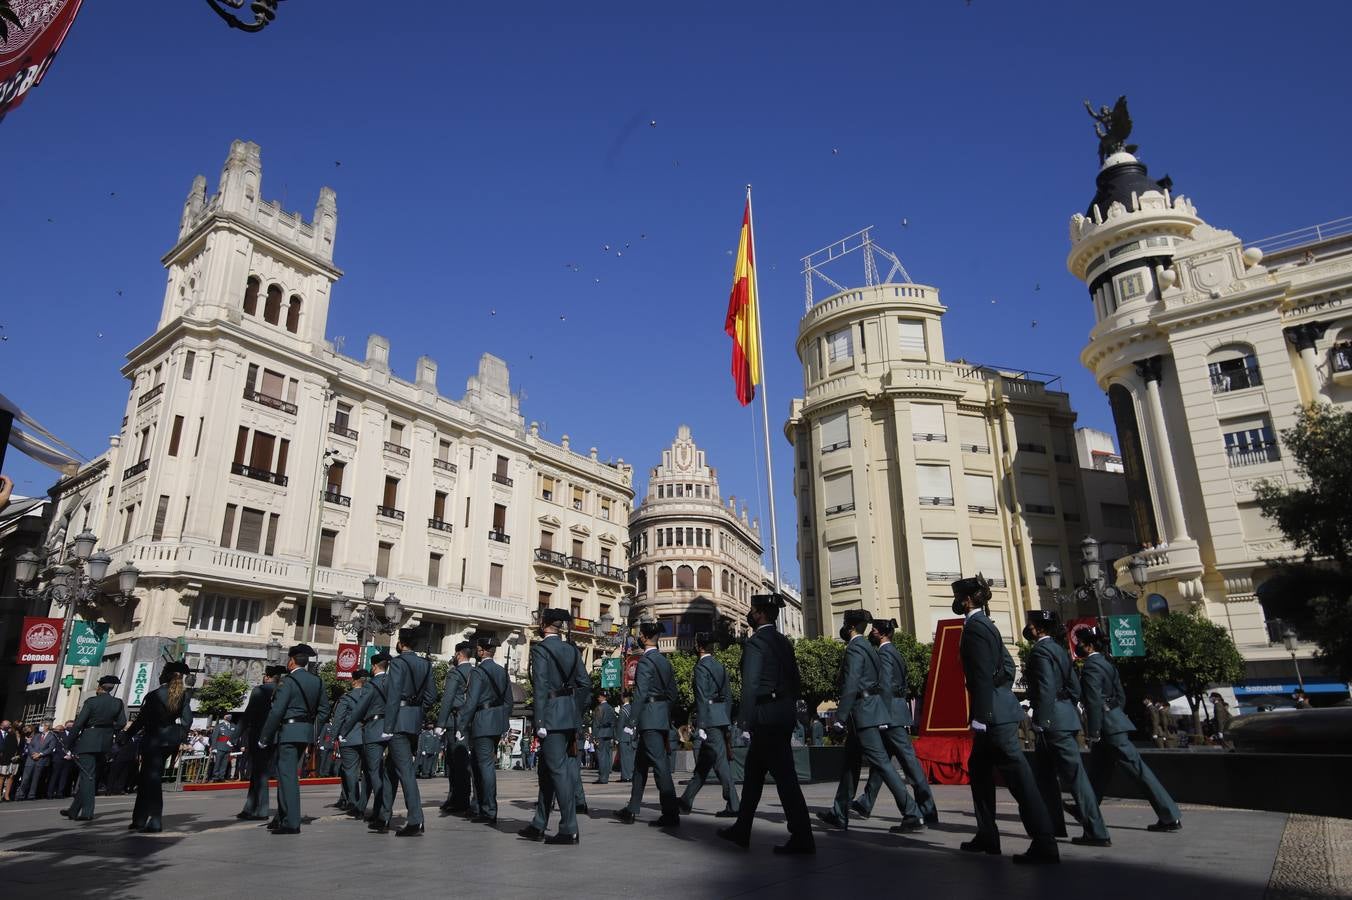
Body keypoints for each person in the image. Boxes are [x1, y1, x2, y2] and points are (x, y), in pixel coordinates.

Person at [954, 576, 1059, 865]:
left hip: (994, 718)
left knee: (1021, 780)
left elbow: (980, 674)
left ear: (965, 600)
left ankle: (1044, 842)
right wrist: (998, 690)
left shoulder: (975, 627)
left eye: (957, 598)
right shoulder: (987, 625)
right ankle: (987, 835)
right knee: (978, 769)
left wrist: (983, 714)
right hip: (999, 710)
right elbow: (1008, 667)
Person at [717, 593, 813, 855]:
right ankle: (742, 828)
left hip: (765, 715)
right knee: (753, 774)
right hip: (783, 712)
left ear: (759, 614)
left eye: (752, 610)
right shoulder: (784, 642)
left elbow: (750, 685)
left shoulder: (756, 643)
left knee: (785, 777)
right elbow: (795, 681)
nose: (750, 613)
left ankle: (803, 836)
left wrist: (744, 720)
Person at [820, 610, 924, 834]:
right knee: (850, 764)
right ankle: (839, 812)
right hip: (869, 711)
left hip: (862, 713)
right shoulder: (869, 648)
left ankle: (912, 812)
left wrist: (840, 717)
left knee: (882, 764)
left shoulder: (856, 647)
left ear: (850, 626)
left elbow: (851, 683)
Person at [1074, 625, 1182, 832]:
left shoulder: (1091, 666)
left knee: (1138, 770)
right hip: (1114, 721)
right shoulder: (1108, 664)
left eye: (1079, 642)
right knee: (1097, 774)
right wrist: (1114, 715)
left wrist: (1094, 731)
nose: (1077, 646)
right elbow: (1120, 697)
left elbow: (1094, 700)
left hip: (1107, 727)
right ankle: (1085, 811)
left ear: (1088, 646)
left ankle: (1169, 815)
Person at [1024, 609, 1110, 847]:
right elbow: (1074, 688)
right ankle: (1052, 826)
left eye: (1031, 624)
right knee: (1044, 776)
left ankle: (1097, 830)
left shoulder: (1040, 651)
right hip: (1065, 717)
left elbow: (1046, 688)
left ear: (1039, 628)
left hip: (1052, 721)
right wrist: (1066, 710)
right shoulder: (1061, 651)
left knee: (1075, 778)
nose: (1028, 628)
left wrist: (1042, 719)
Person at [851, 617, 938, 825]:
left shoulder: (884, 653)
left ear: (882, 633)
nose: (871, 632)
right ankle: (866, 801)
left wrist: (883, 715)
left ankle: (927, 808)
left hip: (890, 714)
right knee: (882, 762)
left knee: (908, 763)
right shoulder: (895, 652)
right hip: (897, 712)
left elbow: (886, 686)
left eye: (874, 630)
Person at [518, 608, 590, 845]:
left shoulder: (541, 650)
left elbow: (540, 687)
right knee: (547, 771)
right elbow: (584, 684)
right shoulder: (571, 649)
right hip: (568, 716)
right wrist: (574, 710)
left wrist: (539, 722)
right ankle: (539, 823)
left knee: (557, 772)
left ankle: (569, 828)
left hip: (550, 716)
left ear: (544, 624)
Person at [614, 621, 681, 828]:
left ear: (643, 637)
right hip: (659, 717)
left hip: (648, 719)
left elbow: (641, 693)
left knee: (660, 766)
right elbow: (673, 695)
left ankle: (671, 813)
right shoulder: (664, 661)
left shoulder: (644, 662)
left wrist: (632, 720)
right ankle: (632, 809)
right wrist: (662, 712)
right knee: (640, 766)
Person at [259, 644, 330, 835]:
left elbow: (277, 711)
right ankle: (281, 816)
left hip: (288, 732)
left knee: (288, 777)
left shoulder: (287, 682)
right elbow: (324, 710)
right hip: (305, 732)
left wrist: (265, 736)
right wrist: (314, 731)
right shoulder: (317, 681)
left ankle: (291, 822)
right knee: (286, 774)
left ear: (291, 661)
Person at [377, 629, 436, 836]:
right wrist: (417, 711)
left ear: (401, 643)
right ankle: (383, 815)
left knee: (405, 772)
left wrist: (388, 727)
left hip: (398, 721)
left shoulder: (398, 663)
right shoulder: (425, 664)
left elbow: (393, 696)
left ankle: (415, 820)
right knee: (390, 769)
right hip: (414, 721)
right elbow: (431, 695)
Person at [127, 661, 194, 833]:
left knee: (150, 779)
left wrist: (126, 735)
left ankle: (151, 819)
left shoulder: (155, 695)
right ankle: (140, 819)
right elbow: (187, 721)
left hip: (154, 740)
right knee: (149, 778)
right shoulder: (183, 695)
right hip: (169, 742)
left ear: (166, 675)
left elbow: (141, 719)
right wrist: (180, 736)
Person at [679, 632, 739, 818]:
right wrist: (726, 719)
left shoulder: (700, 668)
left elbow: (701, 698)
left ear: (698, 646)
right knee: (704, 765)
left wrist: (702, 725)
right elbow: (728, 696)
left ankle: (734, 804)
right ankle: (686, 800)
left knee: (720, 764)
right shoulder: (720, 666)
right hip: (720, 716)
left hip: (709, 720)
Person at [459, 633, 510, 826]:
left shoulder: (478, 672)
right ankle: (481, 806)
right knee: (483, 765)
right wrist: (503, 721)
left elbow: (471, 702)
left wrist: (462, 725)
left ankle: (488, 810)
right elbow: (508, 701)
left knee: (484, 767)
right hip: (496, 722)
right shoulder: (502, 671)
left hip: (481, 721)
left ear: (481, 651)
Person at [61, 675, 127, 821]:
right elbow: (122, 722)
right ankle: (73, 810)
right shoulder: (117, 702)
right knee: (90, 776)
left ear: (99, 687)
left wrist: (68, 742)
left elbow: (78, 723)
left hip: (89, 740)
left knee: (87, 776)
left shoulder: (91, 702)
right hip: (105, 743)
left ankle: (87, 812)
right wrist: (110, 729)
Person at [349, 652, 393, 824]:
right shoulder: (392, 682)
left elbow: (360, 708)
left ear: (374, 667)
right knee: (378, 772)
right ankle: (371, 808)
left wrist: (345, 729)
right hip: (389, 728)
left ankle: (381, 810)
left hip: (373, 729)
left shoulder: (370, 685)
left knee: (373, 772)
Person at [234, 665, 281, 821]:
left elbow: (248, 714)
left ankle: (261, 810)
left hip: (259, 736)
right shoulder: (283, 691)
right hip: (276, 737)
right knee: (260, 773)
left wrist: (235, 736)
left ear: (267, 676)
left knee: (259, 773)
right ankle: (250, 807)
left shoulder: (259, 691)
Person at [436, 641, 476, 815]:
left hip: (456, 720)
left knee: (455, 762)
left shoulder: (455, 673)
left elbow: (448, 699)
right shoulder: (476, 672)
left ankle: (459, 799)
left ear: (459, 654)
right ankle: (464, 799)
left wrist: (440, 723)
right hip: (474, 720)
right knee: (469, 763)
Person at [332, 668, 370, 817]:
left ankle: (353, 801)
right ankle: (361, 802)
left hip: (349, 737)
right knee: (367, 771)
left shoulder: (346, 698)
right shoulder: (370, 695)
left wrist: (335, 737)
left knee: (350, 771)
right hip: (367, 736)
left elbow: (338, 719)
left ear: (354, 681)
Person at [18, 719, 58, 800]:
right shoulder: (36, 735)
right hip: (31, 759)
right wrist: (33, 754)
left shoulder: (52, 737)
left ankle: (31, 795)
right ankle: (20, 795)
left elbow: (50, 748)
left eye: (42, 725)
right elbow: (30, 745)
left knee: (35, 779)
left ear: (47, 727)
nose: (41, 727)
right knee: (25, 778)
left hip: (41, 760)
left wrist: (40, 754)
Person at [592, 693, 617, 784]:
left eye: (598, 696)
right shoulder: (610, 708)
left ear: (602, 697)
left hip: (600, 733)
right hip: (608, 733)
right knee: (606, 756)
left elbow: (596, 723)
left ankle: (602, 778)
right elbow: (614, 721)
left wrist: (594, 736)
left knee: (601, 756)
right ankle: (605, 776)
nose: (598, 698)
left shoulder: (599, 708)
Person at [47, 721, 75, 799]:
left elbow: (75, 746)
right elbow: (57, 747)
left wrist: (71, 755)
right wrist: (63, 756)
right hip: (59, 758)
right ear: (65, 726)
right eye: (69, 725)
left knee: (64, 776)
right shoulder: (58, 735)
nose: (70, 727)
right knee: (55, 776)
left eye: (72, 725)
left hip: (69, 759)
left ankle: (60, 793)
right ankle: (50, 793)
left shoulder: (74, 735)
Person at [209, 715, 236, 782]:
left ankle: (221, 776)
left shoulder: (233, 726)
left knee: (225, 763)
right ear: (224, 717)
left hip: (228, 746)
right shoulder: (219, 726)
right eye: (228, 715)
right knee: (218, 762)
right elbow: (214, 737)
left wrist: (233, 743)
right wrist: (214, 747)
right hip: (220, 746)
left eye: (230, 715)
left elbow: (236, 735)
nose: (230, 716)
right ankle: (215, 777)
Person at [617, 692, 636, 782]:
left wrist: (617, 737)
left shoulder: (623, 710)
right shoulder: (633, 709)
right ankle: (631, 775)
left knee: (624, 758)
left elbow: (620, 725)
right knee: (631, 758)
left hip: (624, 736)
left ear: (624, 698)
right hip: (632, 736)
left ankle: (625, 776)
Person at [0, 719, 18, 801]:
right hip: (2, 759)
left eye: (10, 725)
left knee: (8, 776)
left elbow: (14, 747)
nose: (9, 726)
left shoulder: (11, 735)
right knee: (1, 777)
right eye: (7, 725)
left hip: (8, 759)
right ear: (2, 725)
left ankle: (5, 796)